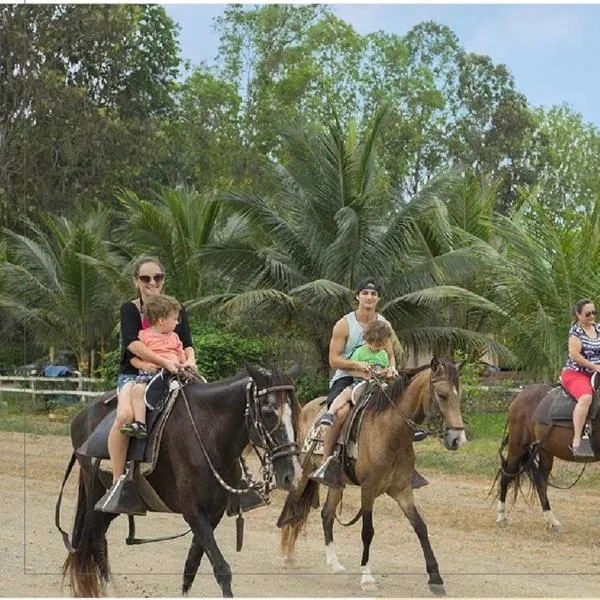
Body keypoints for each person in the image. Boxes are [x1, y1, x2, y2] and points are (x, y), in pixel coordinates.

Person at [95, 256, 196, 513]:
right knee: (125, 416)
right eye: (145, 278)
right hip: (135, 374)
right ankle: (118, 485)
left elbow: (186, 343)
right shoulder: (130, 310)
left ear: (163, 280)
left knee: (210, 406)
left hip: (174, 370)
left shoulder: (175, 308)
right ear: (136, 282)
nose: (152, 283)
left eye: (158, 277)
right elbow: (132, 344)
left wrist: (190, 363)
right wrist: (164, 362)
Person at [309, 277, 428, 489]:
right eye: (365, 293)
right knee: (342, 412)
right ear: (357, 296)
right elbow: (333, 360)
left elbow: (390, 354)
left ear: (378, 299)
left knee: (400, 411)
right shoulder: (344, 324)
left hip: (378, 378)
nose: (369, 297)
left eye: (373, 294)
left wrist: (391, 367)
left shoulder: (383, 324)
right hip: (347, 377)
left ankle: (406, 465)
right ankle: (328, 461)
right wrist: (358, 365)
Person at [318, 319, 393, 459]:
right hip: (360, 382)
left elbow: (383, 368)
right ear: (367, 340)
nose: (378, 348)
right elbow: (349, 371)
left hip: (377, 384)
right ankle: (330, 414)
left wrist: (387, 371)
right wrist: (360, 370)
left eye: (381, 345)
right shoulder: (359, 351)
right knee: (345, 396)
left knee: (394, 398)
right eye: (376, 345)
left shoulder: (383, 353)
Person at [121, 294, 188, 439]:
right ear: (162, 321)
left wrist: (184, 364)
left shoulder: (174, 337)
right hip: (151, 374)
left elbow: (180, 352)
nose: (177, 322)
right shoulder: (143, 336)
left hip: (173, 372)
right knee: (138, 389)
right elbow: (132, 358)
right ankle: (140, 423)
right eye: (175, 319)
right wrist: (143, 364)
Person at [560, 299, 600, 457]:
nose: (591, 316)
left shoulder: (598, 328)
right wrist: (595, 366)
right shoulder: (575, 332)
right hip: (577, 372)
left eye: (594, 312)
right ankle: (577, 441)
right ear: (578, 315)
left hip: (596, 373)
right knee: (585, 398)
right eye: (587, 314)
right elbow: (574, 355)